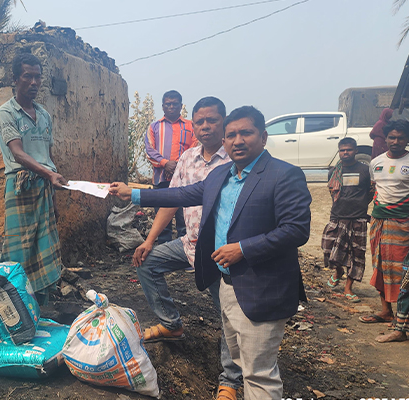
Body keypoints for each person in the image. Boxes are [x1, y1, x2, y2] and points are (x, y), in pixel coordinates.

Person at [110, 106, 311, 400]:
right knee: (242, 358)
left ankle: (236, 385)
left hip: (261, 287)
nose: (238, 141)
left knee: (259, 374)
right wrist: (135, 193)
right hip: (227, 283)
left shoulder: (284, 175)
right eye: (232, 135)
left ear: (263, 137)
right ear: (225, 141)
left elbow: (296, 230)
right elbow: (180, 194)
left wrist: (243, 249)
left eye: (246, 133)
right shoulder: (220, 175)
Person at [133, 97, 243, 399]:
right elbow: (172, 200)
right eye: (200, 122)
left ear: (223, 122)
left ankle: (230, 381)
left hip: (221, 253)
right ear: (192, 125)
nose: (205, 126)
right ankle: (171, 324)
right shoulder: (187, 158)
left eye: (212, 120)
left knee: (229, 316)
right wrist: (149, 240)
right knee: (148, 262)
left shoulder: (235, 159)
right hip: (189, 243)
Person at [0, 53, 66, 305]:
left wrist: (53, 197)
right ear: (16, 79)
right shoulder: (6, 113)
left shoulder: (44, 115)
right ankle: (12, 304)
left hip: (44, 188)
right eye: (28, 76)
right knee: (19, 250)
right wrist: (49, 174)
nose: (34, 82)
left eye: (38, 77)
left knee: (43, 248)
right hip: (21, 187)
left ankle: (40, 306)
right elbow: (18, 152)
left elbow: (48, 156)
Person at [360, 120, 409, 339]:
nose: (396, 141)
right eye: (392, 137)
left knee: (402, 269)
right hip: (379, 221)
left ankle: (402, 319)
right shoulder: (376, 162)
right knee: (380, 264)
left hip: (403, 222)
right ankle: (386, 311)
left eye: (400, 137)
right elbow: (375, 190)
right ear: (386, 138)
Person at [321, 138, 374, 303]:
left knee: (356, 255)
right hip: (337, 216)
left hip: (358, 218)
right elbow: (333, 193)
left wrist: (360, 206)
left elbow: (371, 191)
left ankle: (348, 288)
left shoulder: (365, 170)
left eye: (349, 149)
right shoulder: (333, 171)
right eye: (342, 150)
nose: (345, 153)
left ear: (355, 150)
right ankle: (338, 271)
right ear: (339, 151)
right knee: (328, 249)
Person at [144, 90, 196, 244]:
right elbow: (149, 150)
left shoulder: (191, 126)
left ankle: (184, 251)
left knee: (184, 218)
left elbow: (195, 147)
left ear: (181, 106)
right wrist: (165, 163)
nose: (171, 107)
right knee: (162, 220)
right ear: (163, 106)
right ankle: (163, 250)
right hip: (161, 180)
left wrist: (177, 166)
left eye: (175, 104)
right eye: (168, 104)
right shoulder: (154, 127)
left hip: (184, 181)